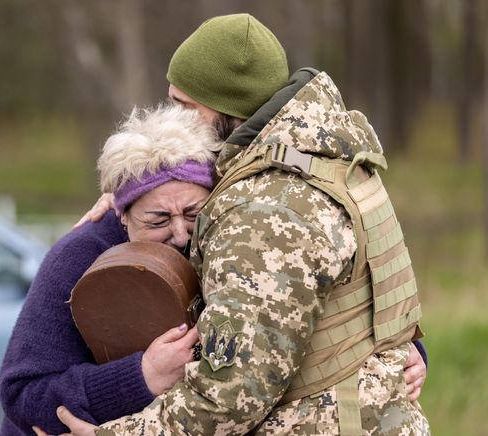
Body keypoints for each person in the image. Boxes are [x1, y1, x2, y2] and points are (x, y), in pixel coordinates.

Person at [56, 13, 430, 435]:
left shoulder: (264, 210)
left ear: (226, 106)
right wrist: (133, 187)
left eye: (184, 106)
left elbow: (230, 395)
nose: (173, 120)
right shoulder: (327, 157)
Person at [0, 104, 224, 435]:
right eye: (158, 219)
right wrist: (142, 377)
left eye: (193, 214)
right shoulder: (78, 257)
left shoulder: (228, 241)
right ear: (121, 213)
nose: (180, 234)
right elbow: (22, 393)